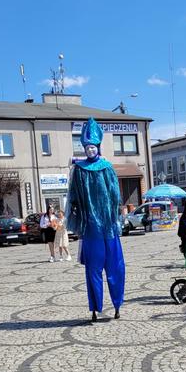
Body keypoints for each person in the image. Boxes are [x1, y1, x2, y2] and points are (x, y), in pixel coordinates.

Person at [66, 118, 125, 322]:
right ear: (84, 148)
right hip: (92, 230)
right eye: (87, 147)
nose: (90, 150)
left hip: (108, 228)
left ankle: (117, 304)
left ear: (98, 147)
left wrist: (115, 215)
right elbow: (73, 196)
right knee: (93, 271)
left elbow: (115, 194)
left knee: (115, 268)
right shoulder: (79, 170)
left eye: (93, 147)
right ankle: (95, 308)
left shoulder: (107, 167)